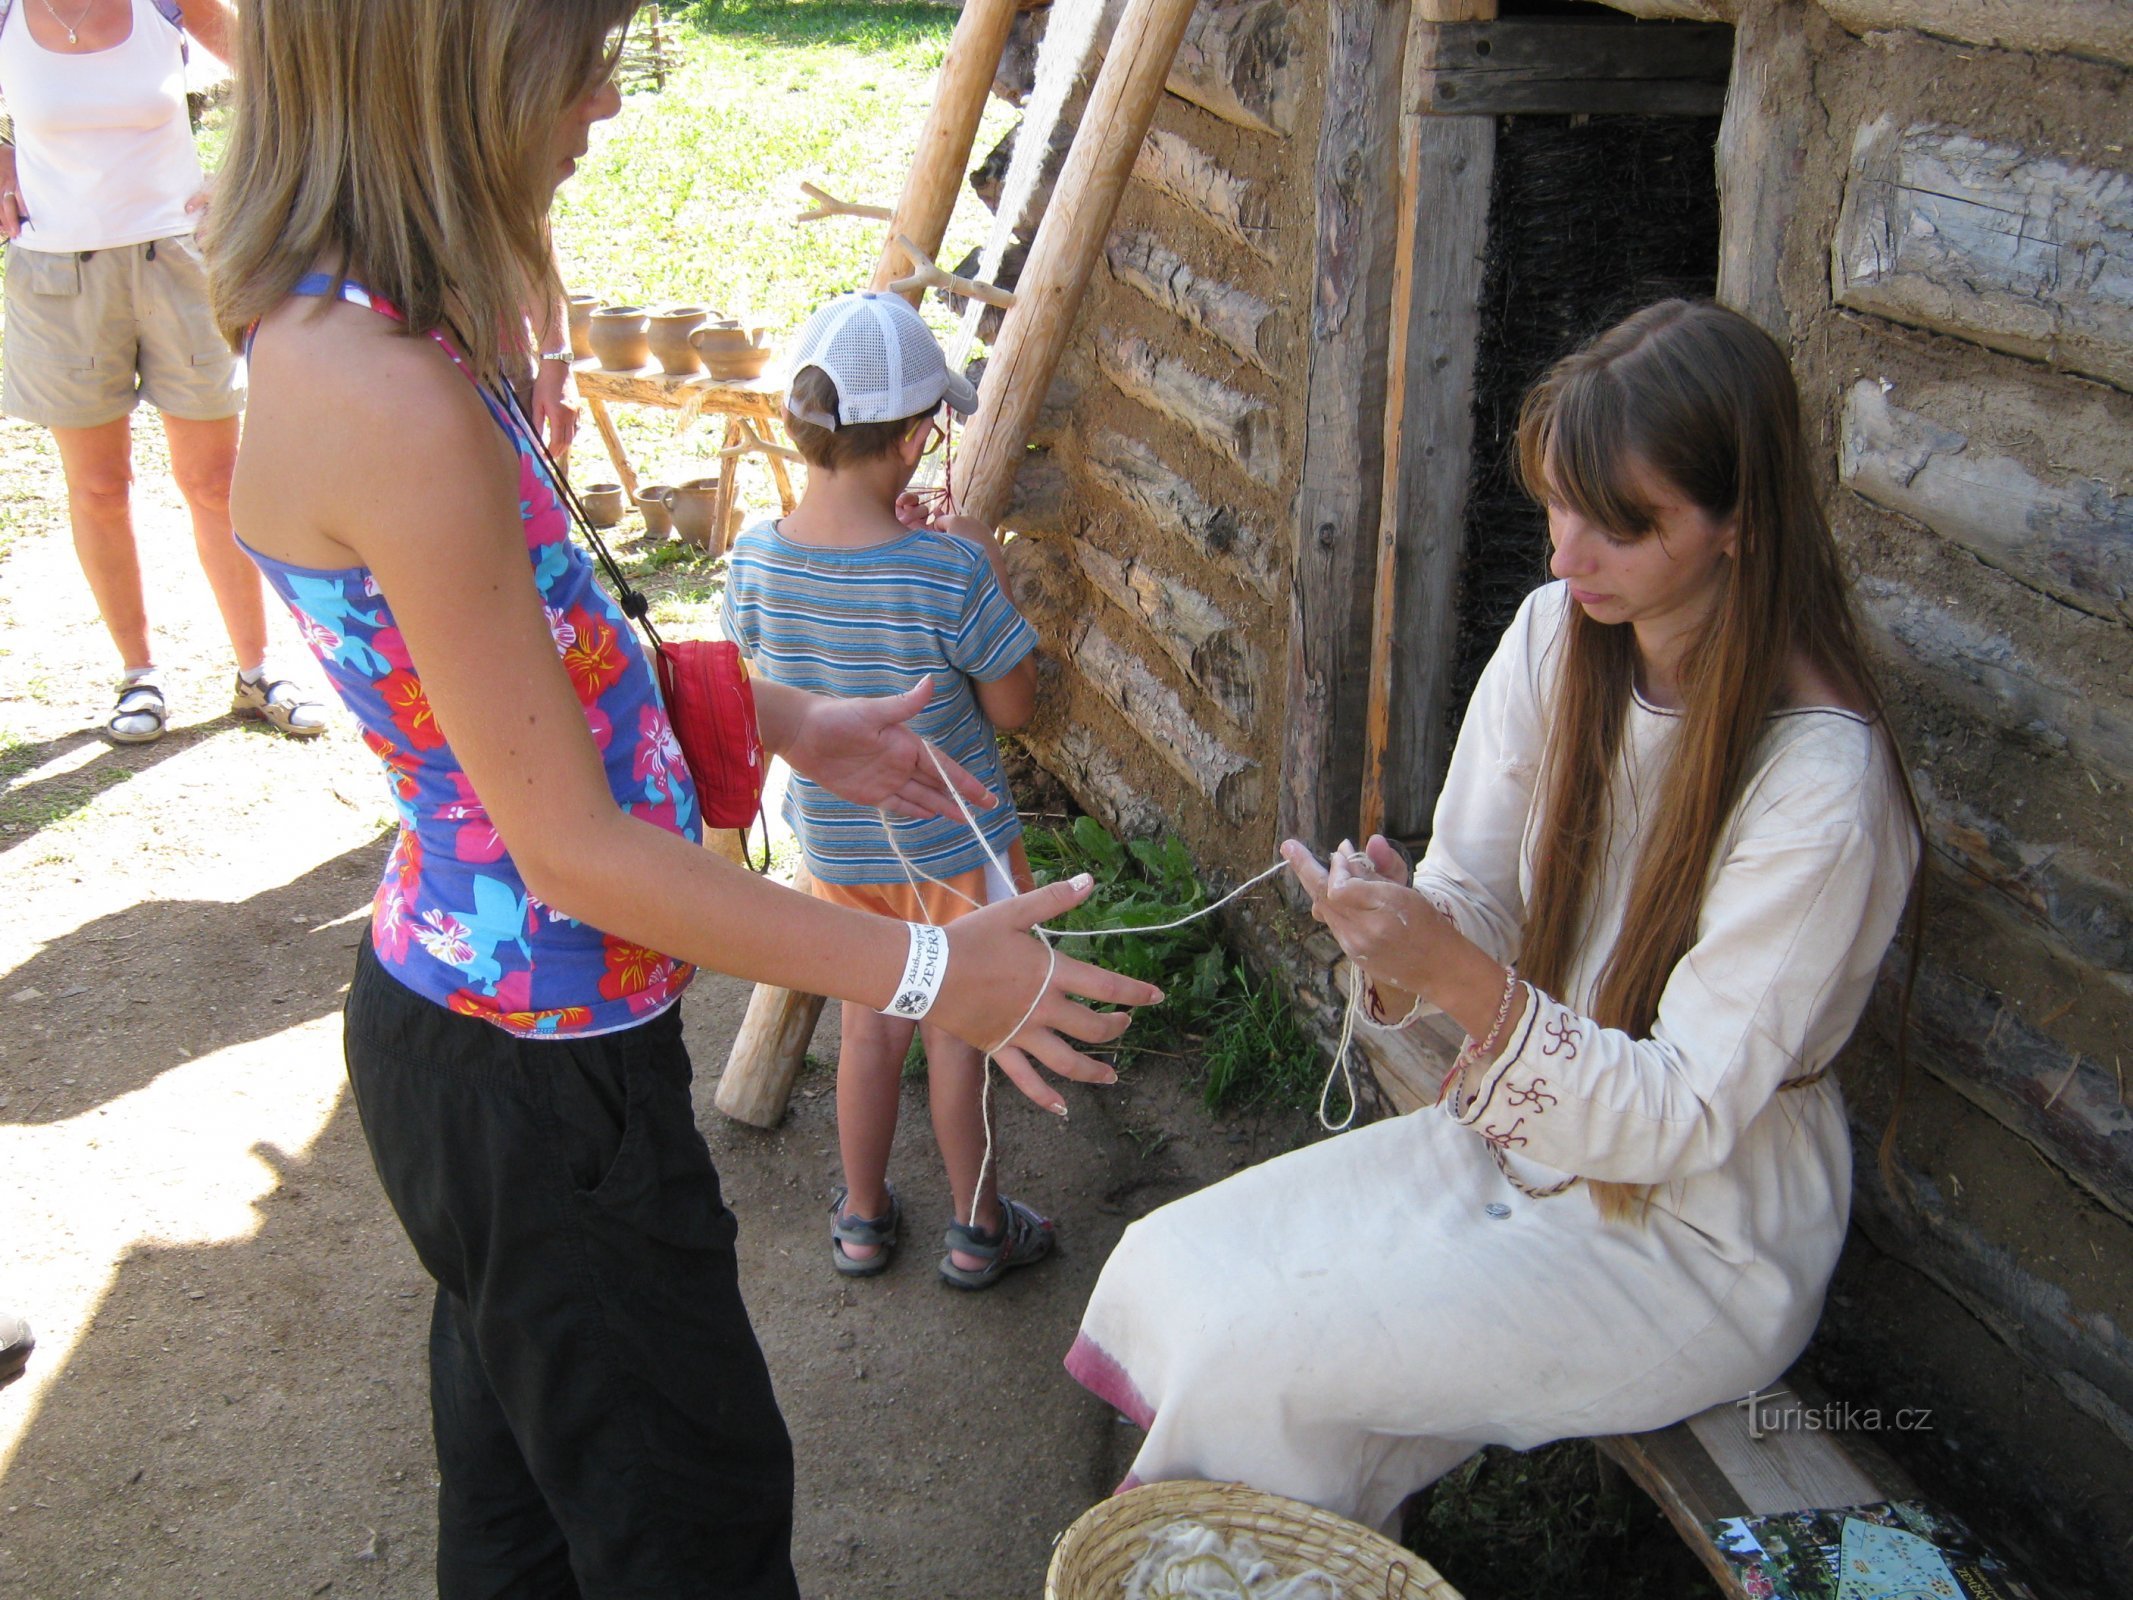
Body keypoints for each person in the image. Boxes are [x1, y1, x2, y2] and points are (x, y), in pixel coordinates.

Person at [207, 5, 1159, 1595]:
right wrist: (935, 969)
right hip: (534, 1082)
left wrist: (787, 720)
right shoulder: (398, 397)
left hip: (491, 1054)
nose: (601, 98)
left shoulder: (379, 330)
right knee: (688, 1522)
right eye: (576, 58)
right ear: (441, 74)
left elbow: (529, 671)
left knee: (524, 1501)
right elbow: (574, 854)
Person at [1067, 300, 1922, 1528]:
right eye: (1558, 505)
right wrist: (1404, 928)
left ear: (1740, 525)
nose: (1567, 553)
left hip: (1696, 1238)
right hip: (1536, 1140)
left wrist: (1457, 978)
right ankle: (1293, 1551)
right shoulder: (1559, 635)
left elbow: (1681, 1110)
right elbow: (1475, 894)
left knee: (1271, 1352)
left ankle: (1273, 1555)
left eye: (1621, 524)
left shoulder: (1821, 789)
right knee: (1174, 1265)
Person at [723, 291, 1051, 1291]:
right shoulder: (947, 568)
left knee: (871, 1028)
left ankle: (863, 1219)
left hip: (843, 849)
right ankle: (977, 1227)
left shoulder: (753, 557)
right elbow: (1014, 708)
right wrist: (984, 565)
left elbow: (755, 686)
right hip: (960, 854)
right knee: (963, 1036)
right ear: (916, 441)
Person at [0, 0, 323, 743]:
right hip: (58, 277)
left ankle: (258, 668)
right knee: (99, 486)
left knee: (216, 480)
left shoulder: (169, 5)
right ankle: (138, 675)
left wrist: (241, 180)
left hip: (181, 263)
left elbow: (286, 79)